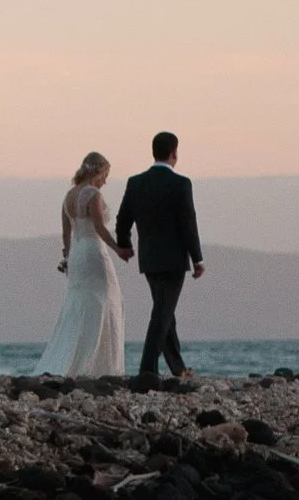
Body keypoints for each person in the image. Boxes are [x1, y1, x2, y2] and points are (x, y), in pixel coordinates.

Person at [115, 131, 205, 385]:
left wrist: (125, 245)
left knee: (165, 310)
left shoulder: (136, 183)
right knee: (162, 313)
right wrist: (197, 258)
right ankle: (147, 370)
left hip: (149, 259)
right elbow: (188, 223)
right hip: (174, 259)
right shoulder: (181, 184)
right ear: (173, 153)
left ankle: (178, 368)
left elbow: (123, 220)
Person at [35, 152, 130, 377]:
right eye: (105, 174)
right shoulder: (92, 194)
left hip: (77, 254)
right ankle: (100, 365)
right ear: (97, 172)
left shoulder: (69, 196)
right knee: (106, 301)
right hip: (94, 253)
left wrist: (68, 258)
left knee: (79, 304)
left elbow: (66, 234)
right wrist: (117, 249)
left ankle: (73, 359)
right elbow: (99, 227)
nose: (106, 180)